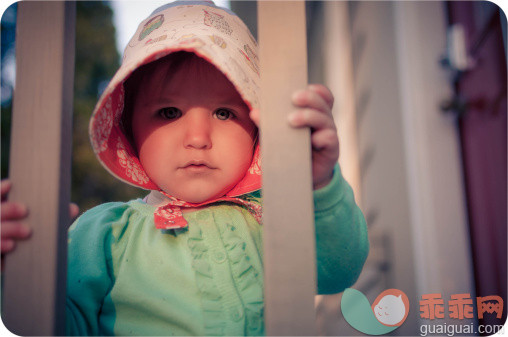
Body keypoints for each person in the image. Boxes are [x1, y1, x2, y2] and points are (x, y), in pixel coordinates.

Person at [1, 1, 369, 335]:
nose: (198, 138)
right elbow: (55, 326)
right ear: (129, 131)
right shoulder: (105, 234)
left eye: (224, 113)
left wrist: (319, 184)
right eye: (169, 112)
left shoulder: (271, 216)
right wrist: (12, 274)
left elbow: (339, 270)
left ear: (258, 129)